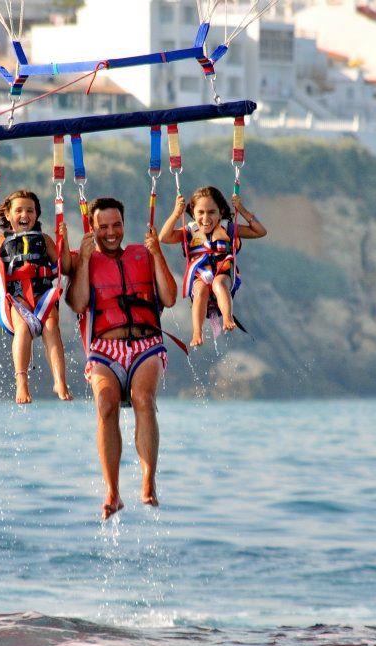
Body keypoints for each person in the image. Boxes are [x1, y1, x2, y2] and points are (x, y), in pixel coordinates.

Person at [67, 197, 177, 520]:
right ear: (93, 228)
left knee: (143, 397)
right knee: (105, 405)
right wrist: (85, 260)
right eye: (103, 227)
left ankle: (148, 482)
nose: (111, 232)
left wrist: (157, 253)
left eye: (117, 225)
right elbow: (77, 304)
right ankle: (113, 492)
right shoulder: (83, 258)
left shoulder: (143, 253)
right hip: (105, 349)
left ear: (124, 224)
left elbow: (169, 297)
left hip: (146, 345)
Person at [0, 189, 73, 404]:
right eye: (18, 210)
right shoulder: (0, 240)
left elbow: (64, 267)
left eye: (30, 210)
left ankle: (59, 380)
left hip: (42, 295)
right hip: (17, 298)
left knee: (51, 327)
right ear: (8, 215)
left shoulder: (44, 240)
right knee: (23, 328)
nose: (24, 215)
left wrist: (64, 241)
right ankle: (22, 383)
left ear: (37, 214)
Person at [159, 186, 267, 347]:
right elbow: (164, 237)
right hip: (200, 274)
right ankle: (197, 332)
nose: (205, 218)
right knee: (200, 290)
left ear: (221, 212)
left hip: (223, 270)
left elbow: (260, 231)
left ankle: (227, 318)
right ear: (193, 213)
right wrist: (176, 213)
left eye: (211, 212)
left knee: (218, 283)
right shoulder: (190, 231)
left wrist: (241, 209)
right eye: (200, 212)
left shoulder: (228, 228)